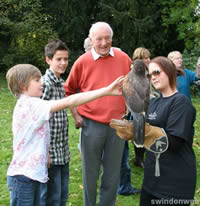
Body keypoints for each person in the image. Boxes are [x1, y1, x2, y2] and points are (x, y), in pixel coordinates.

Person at [6, 64, 124, 206]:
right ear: (23, 86)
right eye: (37, 80)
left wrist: (46, 153)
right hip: (23, 177)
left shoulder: (33, 104)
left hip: (32, 174)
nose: (42, 83)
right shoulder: (30, 105)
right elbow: (70, 101)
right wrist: (106, 91)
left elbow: (36, 134)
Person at [111, 56, 197, 206]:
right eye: (150, 75)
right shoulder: (154, 102)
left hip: (174, 183)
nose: (153, 77)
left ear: (169, 71)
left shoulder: (180, 102)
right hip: (151, 181)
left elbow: (175, 142)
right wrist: (133, 131)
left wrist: (144, 132)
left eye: (157, 72)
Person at [64, 21, 132, 206]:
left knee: (112, 174)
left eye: (107, 38)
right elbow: (68, 90)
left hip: (117, 125)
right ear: (91, 40)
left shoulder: (123, 58)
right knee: (90, 174)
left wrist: (127, 111)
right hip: (91, 125)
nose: (103, 43)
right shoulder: (83, 61)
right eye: (99, 39)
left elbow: (132, 86)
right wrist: (77, 116)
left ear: (112, 38)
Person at [40, 39, 70, 206]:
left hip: (63, 151)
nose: (63, 63)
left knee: (62, 195)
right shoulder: (45, 84)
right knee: (53, 197)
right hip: (50, 153)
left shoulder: (60, 83)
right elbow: (39, 119)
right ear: (48, 59)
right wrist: (46, 151)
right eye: (59, 59)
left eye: (66, 59)